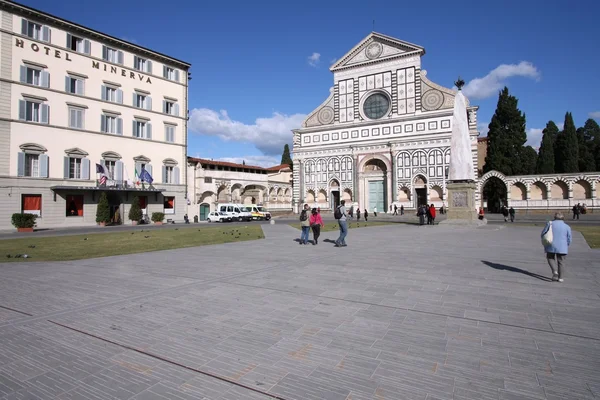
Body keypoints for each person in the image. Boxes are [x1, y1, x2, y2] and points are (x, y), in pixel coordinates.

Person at [541, 212, 572, 282]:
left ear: (555, 217)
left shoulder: (550, 224)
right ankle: (560, 278)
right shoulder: (567, 226)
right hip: (562, 246)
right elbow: (569, 238)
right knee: (561, 261)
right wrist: (567, 244)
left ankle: (554, 271)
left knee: (550, 257)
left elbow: (543, 233)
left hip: (551, 244)